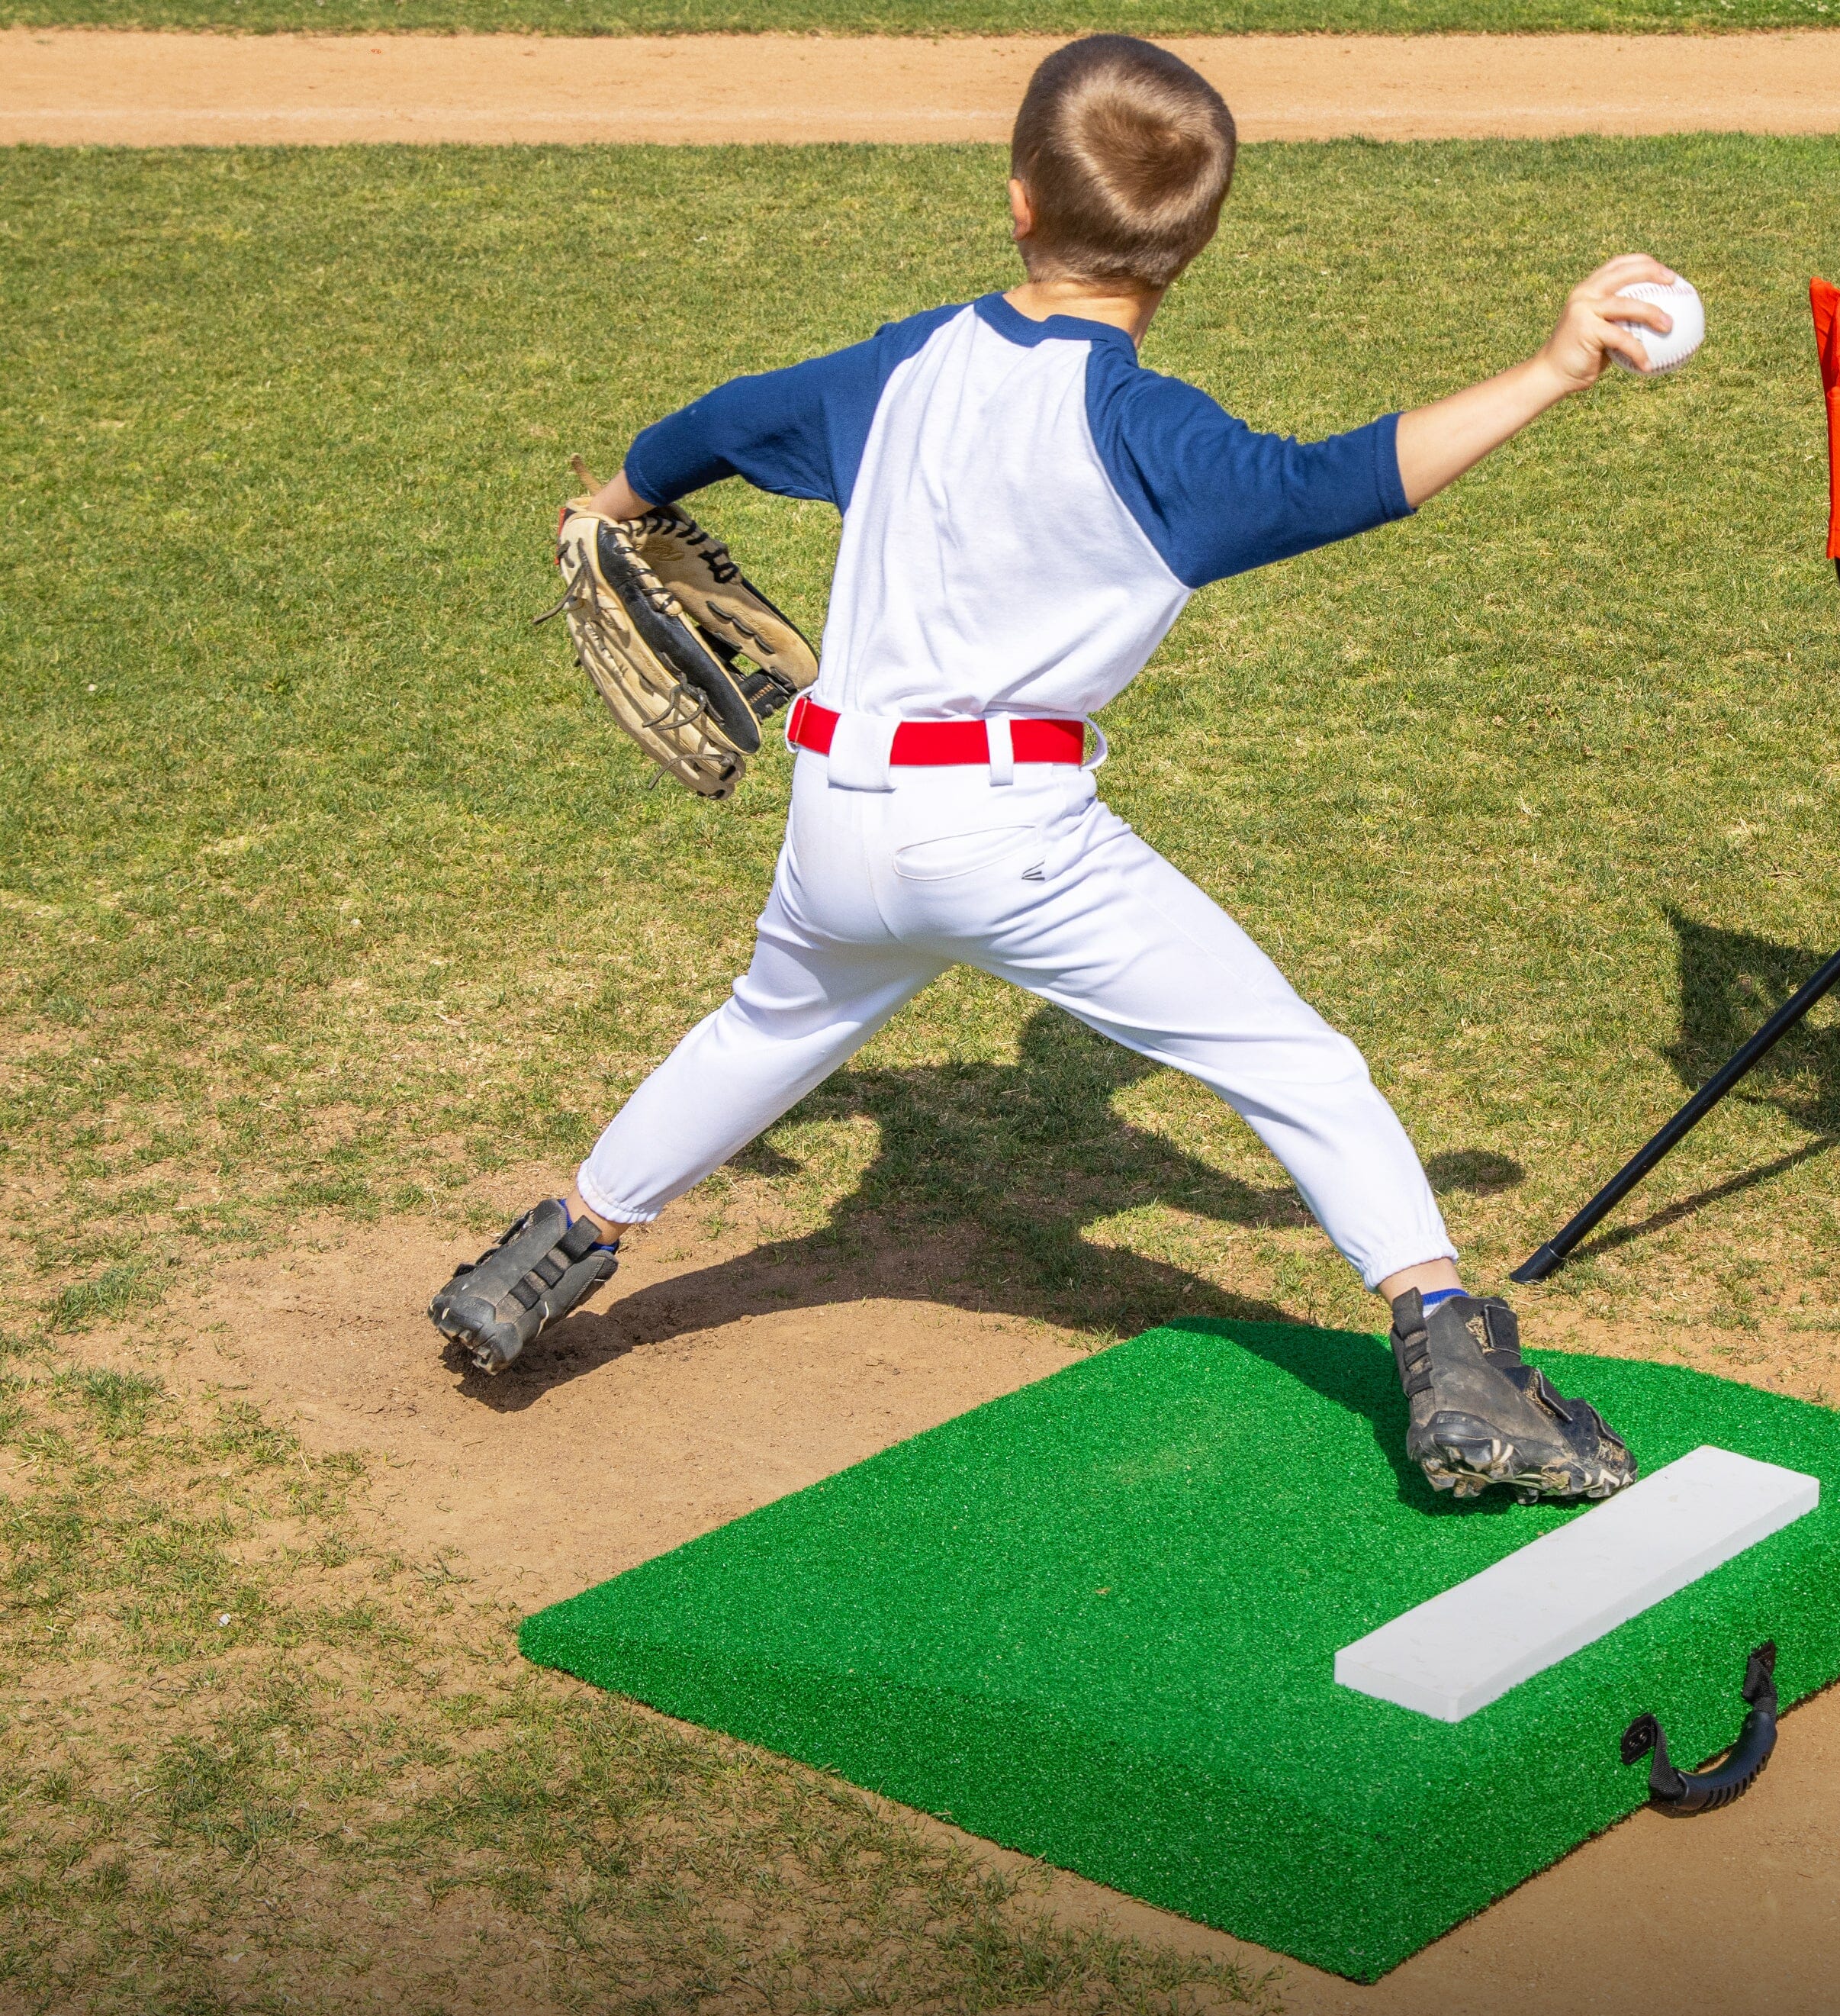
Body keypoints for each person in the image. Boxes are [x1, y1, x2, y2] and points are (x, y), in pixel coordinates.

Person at [431, 33, 1674, 1502]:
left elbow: (719, 421)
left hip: (837, 823)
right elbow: (1342, 483)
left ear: (1020, 200)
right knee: (1292, 1063)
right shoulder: (1151, 433)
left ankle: (547, 1253)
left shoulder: (899, 366)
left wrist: (617, 493)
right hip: (1011, 839)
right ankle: (1453, 1354)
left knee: (763, 1033)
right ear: (1190, 250)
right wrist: (1550, 366)